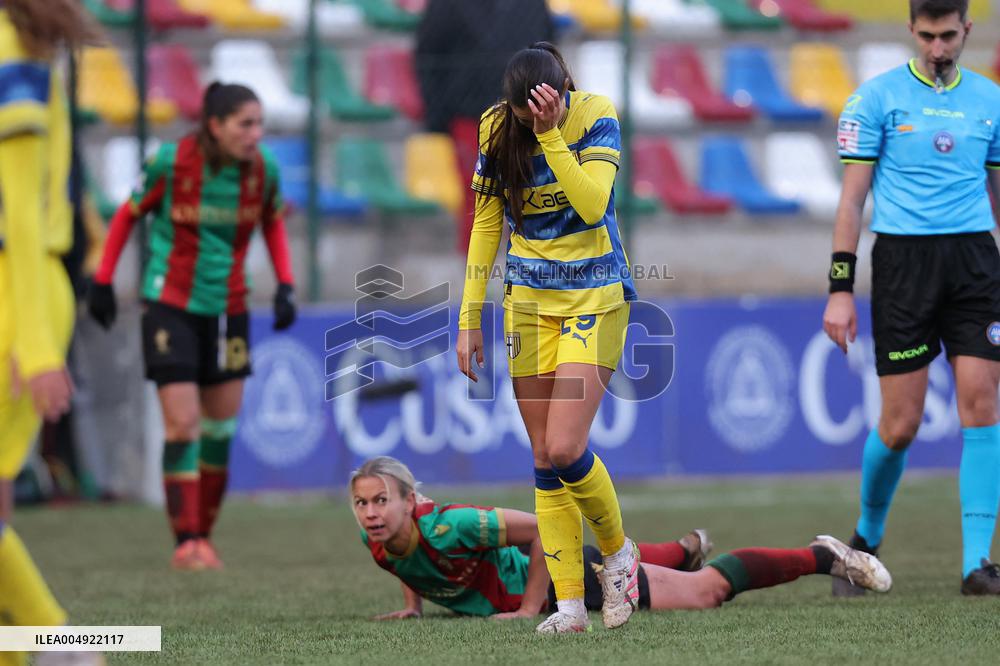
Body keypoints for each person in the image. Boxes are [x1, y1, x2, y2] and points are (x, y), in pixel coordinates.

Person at [456, 42, 640, 634]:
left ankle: (617, 554)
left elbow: (591, 206)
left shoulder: (596, 114)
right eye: (521, 116)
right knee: (541, 456)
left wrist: (553, 134)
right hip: (528, 305)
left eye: (537, 112)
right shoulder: (495, 127)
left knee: (565, 447)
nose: (526, 124)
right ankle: (569, 607)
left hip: (595, 297)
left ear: (562, 93)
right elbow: (486, 224)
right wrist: (468, 317)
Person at [823, 0, 1000, 596]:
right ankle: (865, 540)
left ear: (966, 29)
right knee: (901, 424)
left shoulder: (991, 100)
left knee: (982, 403)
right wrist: (840, 290)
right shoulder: (875, 99)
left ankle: (977, 565)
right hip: (903, 265)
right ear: (911, 31)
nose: (938, 48)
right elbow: (852, 202)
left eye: (948, 35)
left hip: (974, 263)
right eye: (927, 36)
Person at [87, 83, 297, 571]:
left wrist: (285, 284)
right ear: (215, 126)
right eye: (245, 124)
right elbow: (127, 215)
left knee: (219, 430)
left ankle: (203, 535)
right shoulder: (171, 163)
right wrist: (103, 279)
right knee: (182, 425)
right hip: (171, 304)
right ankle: (187, 540)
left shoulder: (263, 169)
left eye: (260, 124)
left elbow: (272, 222)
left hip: (229, 308)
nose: (256, 134)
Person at [351, 457, 892, 624]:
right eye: (363, 503)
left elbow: (543, 528)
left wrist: (530, 608)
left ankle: (823, 556)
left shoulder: (453, 525)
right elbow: (405, 561)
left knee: (706, 592)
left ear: (411, 501)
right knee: (658, 565)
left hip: (566, 579)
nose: (372, 513)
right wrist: (413, 606)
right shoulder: (378, 540)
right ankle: (683, 549)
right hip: (567, 580)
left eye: (382, 501)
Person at [0, 1, 103, 664]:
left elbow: (19, 210)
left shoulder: (9, 49)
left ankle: (58, 644)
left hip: (16, 291)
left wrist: (34, 344)